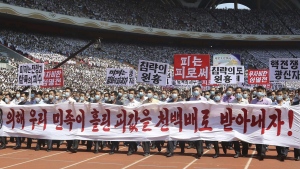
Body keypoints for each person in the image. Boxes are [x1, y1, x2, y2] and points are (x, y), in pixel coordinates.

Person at [250, 86, 271, 161]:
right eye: (257, 91)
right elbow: (251, 110)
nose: (259, 92)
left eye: (260, 91)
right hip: (256, 122)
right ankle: (259, 151)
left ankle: (262, 152)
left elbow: (271, 110)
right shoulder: (253, 101)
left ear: (263, 92)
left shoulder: (268, 101)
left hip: (265, 122)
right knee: (257, 137)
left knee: (263, 137)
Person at [189, 85, 207, 159]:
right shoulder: (191, 99)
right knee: (196, 136)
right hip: (193, 120)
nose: (195, 91)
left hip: (202, 120)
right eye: (194, 90)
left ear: (200, 90)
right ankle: (199, 151)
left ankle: (200, 151)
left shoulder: (204, 99)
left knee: (200, 135)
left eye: (197, 89)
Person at [231, 87, 249, 158]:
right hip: (235, 122)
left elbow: (248, 111)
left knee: (244, 138)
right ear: (235, 93)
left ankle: (245, 152)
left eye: (239, 92)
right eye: (237, 92)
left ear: (242, 93)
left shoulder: (246, 101)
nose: (238, 94)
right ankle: (237, 152)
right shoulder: (233, 102)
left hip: (244, 122)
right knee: (235, 138)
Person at [166, 88, 183, 157]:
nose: (174, 94)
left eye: (175, 92)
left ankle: (182, 147)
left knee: (181, 137)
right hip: (171, 122)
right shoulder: (169, 102)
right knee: (170, 136)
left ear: (178, 93)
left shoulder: (182, 102)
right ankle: (170, 151)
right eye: (172, 92)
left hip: (180, 121)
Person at [142, 87, 160, 156]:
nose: (148, 94)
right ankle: (146, 151)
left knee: (156, 136)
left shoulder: (157, 102)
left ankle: (157, 144)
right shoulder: (144, 102)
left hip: (155, 121)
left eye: (150, 92)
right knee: (145, 135)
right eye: (147, 93)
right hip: (147, 121)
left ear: (153, 93)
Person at [272, 90, 289, 161]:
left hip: (285, 123)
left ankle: (284, 153)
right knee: (277, 139)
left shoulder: (287, 103)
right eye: (278, 94)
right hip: (276, 123)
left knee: (285, 138)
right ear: (275, 95)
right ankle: (279, 153)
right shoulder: (273, 103)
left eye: (280, 94)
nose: (279, 96)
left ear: (283, 95)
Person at [123, 88, 141, 156]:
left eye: (132, 93)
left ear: (135, 95)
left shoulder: (137, 103)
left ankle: (130, 149)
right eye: (129, 93)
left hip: (134, 122)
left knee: (132, 135)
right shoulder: (125, 102)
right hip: (127, 121)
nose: (130, 94)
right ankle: (134, 146)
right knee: (129, 136)